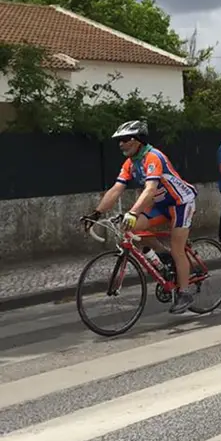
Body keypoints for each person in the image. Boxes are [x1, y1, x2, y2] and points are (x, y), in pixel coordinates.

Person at [80, 120, 198, 314]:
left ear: (138, 141)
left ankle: (185, 292)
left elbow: (150, 190)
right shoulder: (130, 163)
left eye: (125, 140)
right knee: (132, 228)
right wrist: (97, 212)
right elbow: (116, 189)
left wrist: (133, 212)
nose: (121, 144)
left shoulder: (153, 157)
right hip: (160, 205)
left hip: (180, 202)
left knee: (178, 248)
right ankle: (163, 255)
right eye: (119, 140)